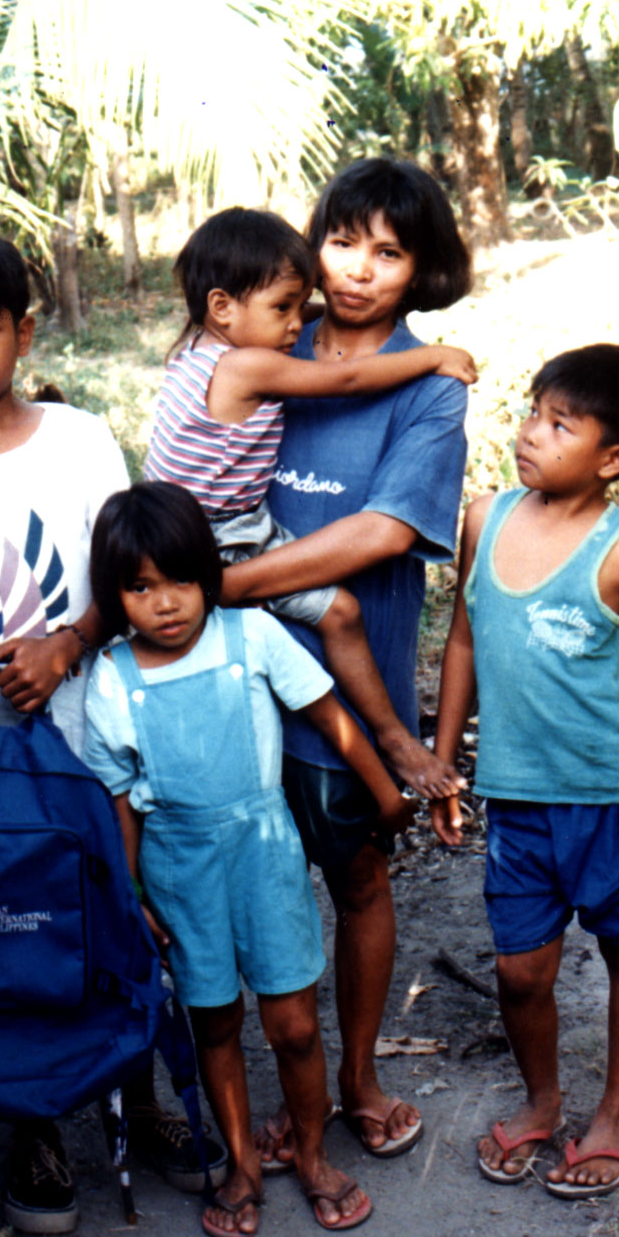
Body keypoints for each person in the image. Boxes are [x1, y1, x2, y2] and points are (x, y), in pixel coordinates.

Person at [0, 226, 225, 1234]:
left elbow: (127, 572)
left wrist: (69, 641)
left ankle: (141, 1097)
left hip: (91, 728)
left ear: (24, 333)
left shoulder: (81, 443)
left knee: (117, 907)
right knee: (12, 925)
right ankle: (33, 1126)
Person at [219, 158, 473, 1164]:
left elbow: (379, 533)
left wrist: (228, 581)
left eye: (390, 251)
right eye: (342, 241)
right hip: (232, 678)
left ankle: (360, 1072)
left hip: (344, 694)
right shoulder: (273, 339)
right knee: (256, 889)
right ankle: (295, 1085)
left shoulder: (430, 388)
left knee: (357, 878)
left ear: (421, 271)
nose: (359, 270)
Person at [83, 481, 418, 1237]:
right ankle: (240, 1163)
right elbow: (121, 803)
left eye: (181, 581)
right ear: (115, 595)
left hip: (265, 853)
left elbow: (328, 714)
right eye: (140, 588)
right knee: (215, 1023)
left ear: (209, 574)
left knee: (294, 1023)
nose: (165, 603)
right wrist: (131, 893)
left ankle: (309, 1153)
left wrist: (385, 794)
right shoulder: (112, 680)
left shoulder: (250, 636)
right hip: (177, 868)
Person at [430, 343, 619, 1197]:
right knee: (520, 970)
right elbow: (466, 637)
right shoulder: (486, 517)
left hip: (617, 798)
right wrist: (443, 763)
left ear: (612, 458)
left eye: (559, 424)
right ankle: (543, 1103)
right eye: (531, 412)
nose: (530, 434)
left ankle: (616, 1117)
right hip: (518, 799)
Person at [144, 206, 476, 797]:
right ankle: (395, 741)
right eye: (283, 310)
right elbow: (345, 380)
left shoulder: (197, 347)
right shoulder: (249, 364)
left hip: (168, 531)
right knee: (340, 614)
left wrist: (300, 308)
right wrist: (433, 357)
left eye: (388, 254)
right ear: (223, 307)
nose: (296, 324)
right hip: (222, 538)